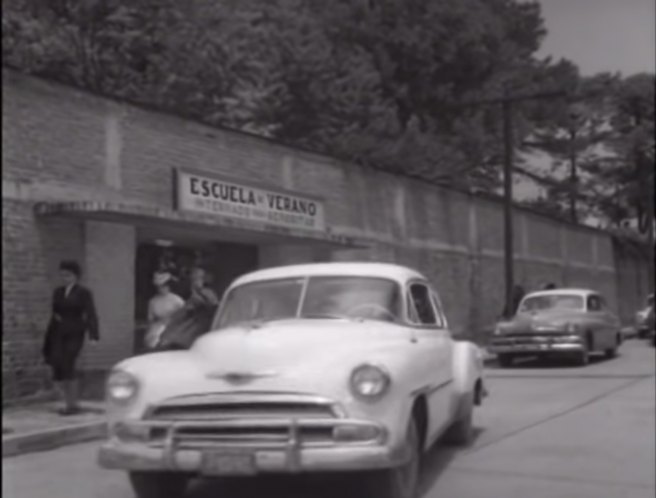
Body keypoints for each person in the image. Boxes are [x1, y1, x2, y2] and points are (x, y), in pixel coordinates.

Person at [42, 260, 99, 415]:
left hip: (75, 333)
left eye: (68, 275)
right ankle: (65, 401)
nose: (64, 278)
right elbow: (55, 313)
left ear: (75, 276)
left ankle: (72, 404)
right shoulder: (58, 292)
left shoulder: (83, 292)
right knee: (58, 364)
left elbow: (91, 313)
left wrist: (93, 335)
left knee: (69, 362)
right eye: (62, 275)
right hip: (58, 333)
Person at [158, 267, 219, 349]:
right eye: (195, 278)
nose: (197, 280)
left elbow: (214, 307)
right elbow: (180, 315)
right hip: (187, 328)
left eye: (200, 278)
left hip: (200, 328)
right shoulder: (186, 293)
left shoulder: (207, 293)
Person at [144, 272, 185, 350]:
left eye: (163, 286)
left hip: (174, 328)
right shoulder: (153, 301)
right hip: (158, 327)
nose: (161, 289)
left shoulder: (176, 300)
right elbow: (150, 319)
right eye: (159, 287)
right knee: (152, 341)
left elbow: (184, 315)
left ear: (168, 287)